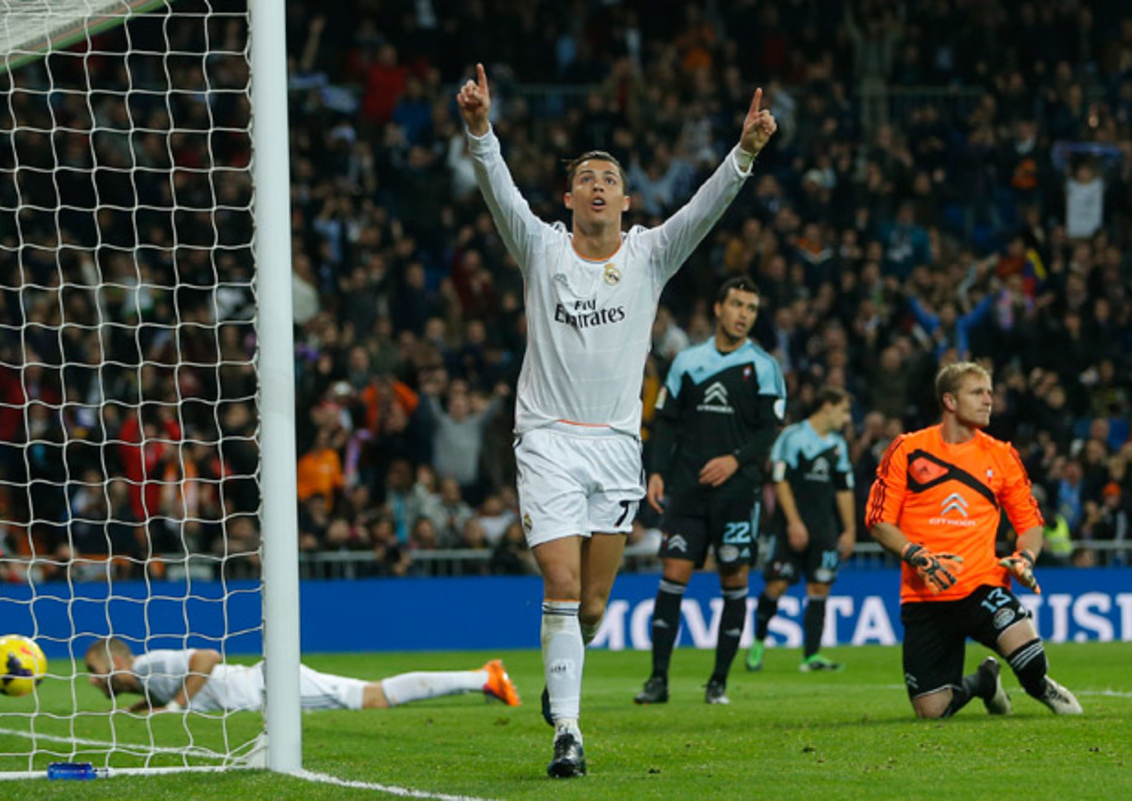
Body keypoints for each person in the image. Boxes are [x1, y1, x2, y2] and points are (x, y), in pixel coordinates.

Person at [456, 63, 776, 777]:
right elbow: (496, 188)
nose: (598, 184)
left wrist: (745, 152)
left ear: (627, 201)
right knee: (562, 585)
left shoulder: (649, 255)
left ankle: (561, 675)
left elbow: (706, 206)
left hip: (616, 449)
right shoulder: (538, 248)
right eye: (587, 177)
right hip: (546, 439)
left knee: (594, 605)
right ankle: (568, 730)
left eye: (610, 177)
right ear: (568, 197)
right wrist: (480, 130)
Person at [865, 361, 1082, 719]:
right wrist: (917, 555)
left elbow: (1030, 522)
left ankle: (1040, 685)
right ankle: (984, 682)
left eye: (990, 393)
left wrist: (1025, 557)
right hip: (925, 595)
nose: (988, 401)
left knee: (1029, 660)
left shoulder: (1002, 455)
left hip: (981, 584)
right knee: (932, 713)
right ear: (949, 401)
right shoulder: (907, 450)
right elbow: (877, 521)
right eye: (977, 393)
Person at [633, 277, 786, 707]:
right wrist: (658, 472)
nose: (743, 314)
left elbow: (768, 428)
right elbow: (666, 421)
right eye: (737, 304)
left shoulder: (763, 366)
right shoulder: (687, 361)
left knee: (734, 577)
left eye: (751, 308)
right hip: (687, 489)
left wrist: (735, 460)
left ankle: (718, 682)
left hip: (738, 493)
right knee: (673, 575)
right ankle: (657, 680)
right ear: (718, 308)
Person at [84, 636, 520, 713]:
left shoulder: (143, 666)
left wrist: (176, 706)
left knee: (373, 696)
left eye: (93, 671)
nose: (89, 680)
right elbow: (169, 694)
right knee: (372, 694)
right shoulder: (143, 681)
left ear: (117, 664)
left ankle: (483, 677)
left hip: (266, 690)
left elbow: (207, 658)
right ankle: (482, 677)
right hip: (262, 686)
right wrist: (148, 708)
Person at [747, 387, 856, 673]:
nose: (846, 418)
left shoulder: (837, 445)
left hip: (824, 529)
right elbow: (779, 482)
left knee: (820, 586)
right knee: (777, 585)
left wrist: (850, 529)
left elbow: (844, 489)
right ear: (827, 406)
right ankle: (758, 641)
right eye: (843, 410)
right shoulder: (793, 437)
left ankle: (811, 655)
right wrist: (794, 522)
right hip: (788, 528)